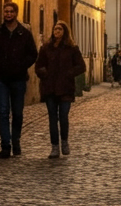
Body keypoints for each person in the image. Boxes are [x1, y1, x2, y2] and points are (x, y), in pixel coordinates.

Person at [0, 1, 38, 159]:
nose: (8, 14)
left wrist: (22, 65)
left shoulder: (24, 34)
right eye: (6, 11)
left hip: (19, 79)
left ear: (16, 13)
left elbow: (32, 54)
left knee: (18, 113)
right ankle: (5, 145)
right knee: (2, 112)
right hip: (1, 79)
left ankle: (16, 140)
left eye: (11, 12)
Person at [35, 21, 85, 158]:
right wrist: (44, 73)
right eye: (55, 28)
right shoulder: (46, 48)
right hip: (50, 87)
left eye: (60, 29)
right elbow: (38, 65)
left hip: (65, 88)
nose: (57, 31)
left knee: (63, 116)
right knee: (52, 118)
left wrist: (69, 73)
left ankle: (64, 141)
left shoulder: (72, 49)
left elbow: (81, 66)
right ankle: (54, 147)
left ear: (65, 32)